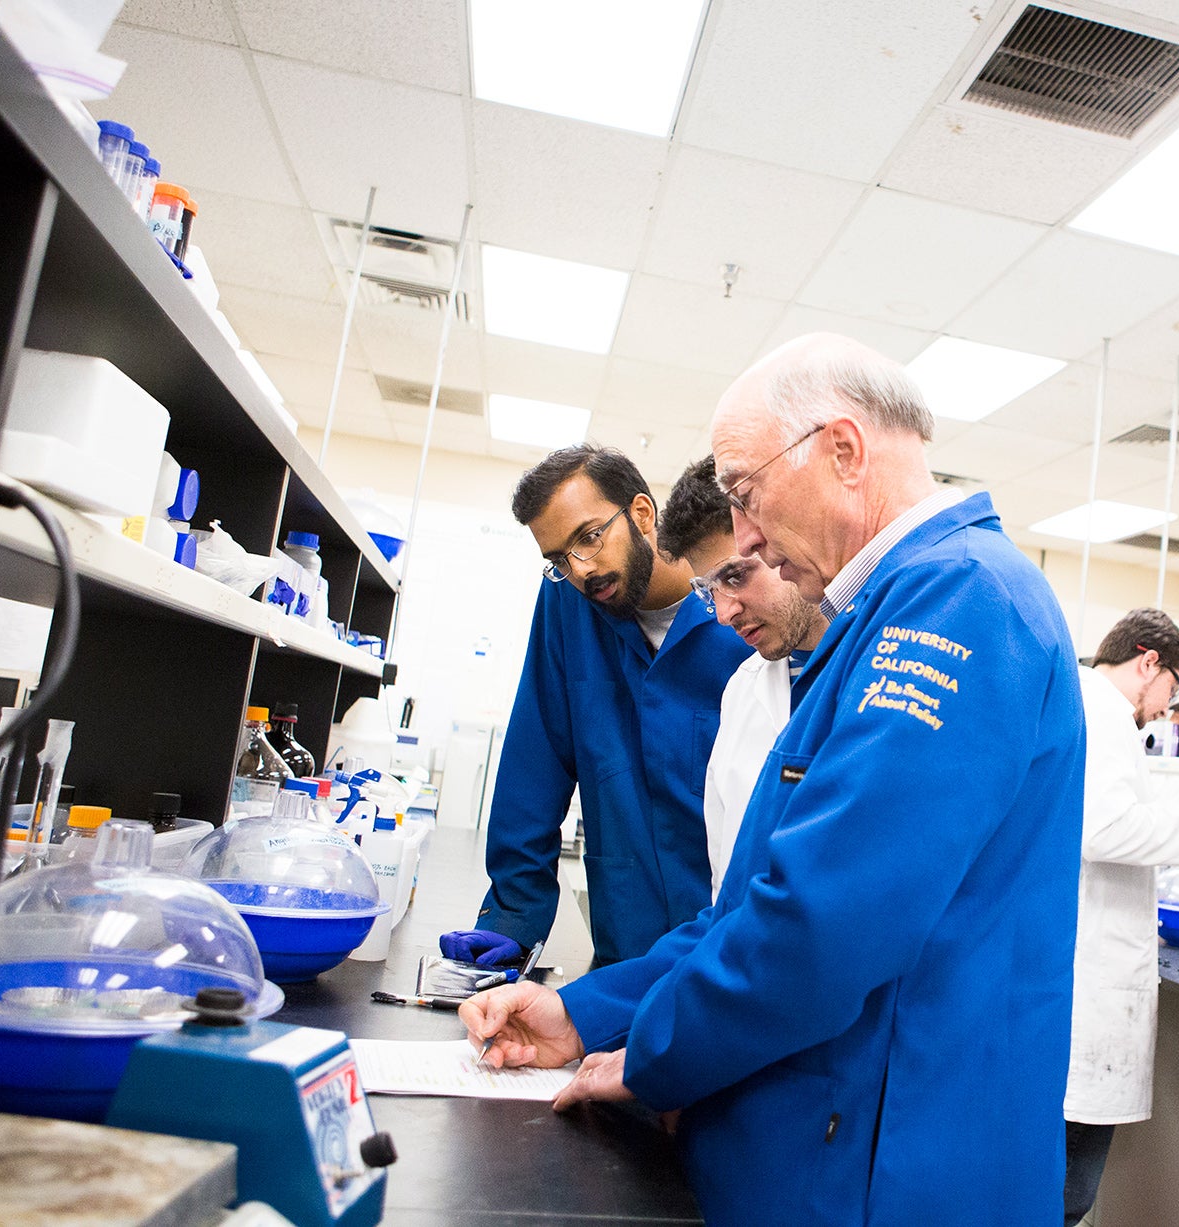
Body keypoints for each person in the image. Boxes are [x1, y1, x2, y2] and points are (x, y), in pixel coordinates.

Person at [462, 333, 1087, 1225]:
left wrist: (647, 1056)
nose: (743, 533)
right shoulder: (870, 620)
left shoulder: (960, 600)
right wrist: (580, 1012)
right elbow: (749, 908)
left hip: (892, 1161)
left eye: (747, 494)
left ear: (843, 450)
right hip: (826, 1138)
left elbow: (819, 928)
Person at [440, 445, 750, 969]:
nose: (581, 569)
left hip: (729, 948)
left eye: (589, 537)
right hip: (627, 941)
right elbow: (535, 763)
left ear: (642, 514)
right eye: (559, 557)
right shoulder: (567, 603)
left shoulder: (740, 609)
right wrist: (512, 919)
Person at [1065, 610, 1179, 1225]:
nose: (1171, 704)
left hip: (1083, 964)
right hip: (1088, 980)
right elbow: (1105, 828)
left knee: (1064, 1189)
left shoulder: (1093, 711)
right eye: (1175, 686)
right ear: (1148, 661)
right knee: (1067, 1194)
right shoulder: (1105, 715)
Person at [661, 456, 828, 898]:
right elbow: (725, 888)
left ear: (783, 542)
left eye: (734, 576)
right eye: (706, 589)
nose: (722, 613)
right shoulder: (742, 689)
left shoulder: (878, 675)